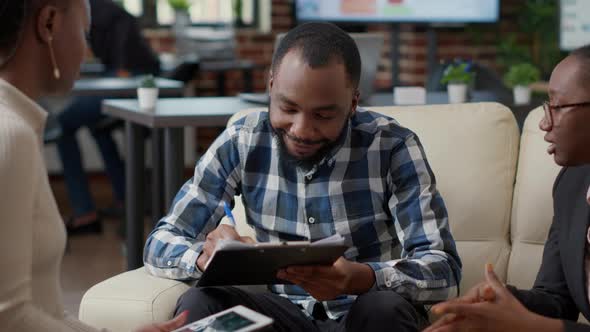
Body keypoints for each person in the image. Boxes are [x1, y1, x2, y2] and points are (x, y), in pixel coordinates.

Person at [143, 22, 462, 332]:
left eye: (323, 115)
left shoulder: (393, 146)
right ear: (271, 86)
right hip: (280, 314)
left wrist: (362, 277)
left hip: (363, 312)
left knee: (384, 307)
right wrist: (203, 258)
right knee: (199, 302)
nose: (302, 130)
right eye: (288, 108)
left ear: (353, 103)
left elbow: (443, 269)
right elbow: (162, 240)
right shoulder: (242, 140)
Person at [0, 0, 186, 330]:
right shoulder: (11, 135)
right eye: (85, 34)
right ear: (49, 23)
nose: (87, 50)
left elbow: (45, 311)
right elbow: (9, 319)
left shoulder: (18, 125)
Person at [424, 44, 590, 332]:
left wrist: (528, 326)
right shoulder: (571, 184)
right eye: (545, 106)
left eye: (558, 106)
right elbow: (556, 301)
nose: (543, 122)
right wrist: (500, 302)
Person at [58, 0, 160, 234]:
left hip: (131, 77)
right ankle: (125, 199)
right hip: (127, 74)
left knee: (63, 124)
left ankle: (84, 213)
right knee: (98, 127)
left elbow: (126, 21)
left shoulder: (88, 6)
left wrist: (121, 66)